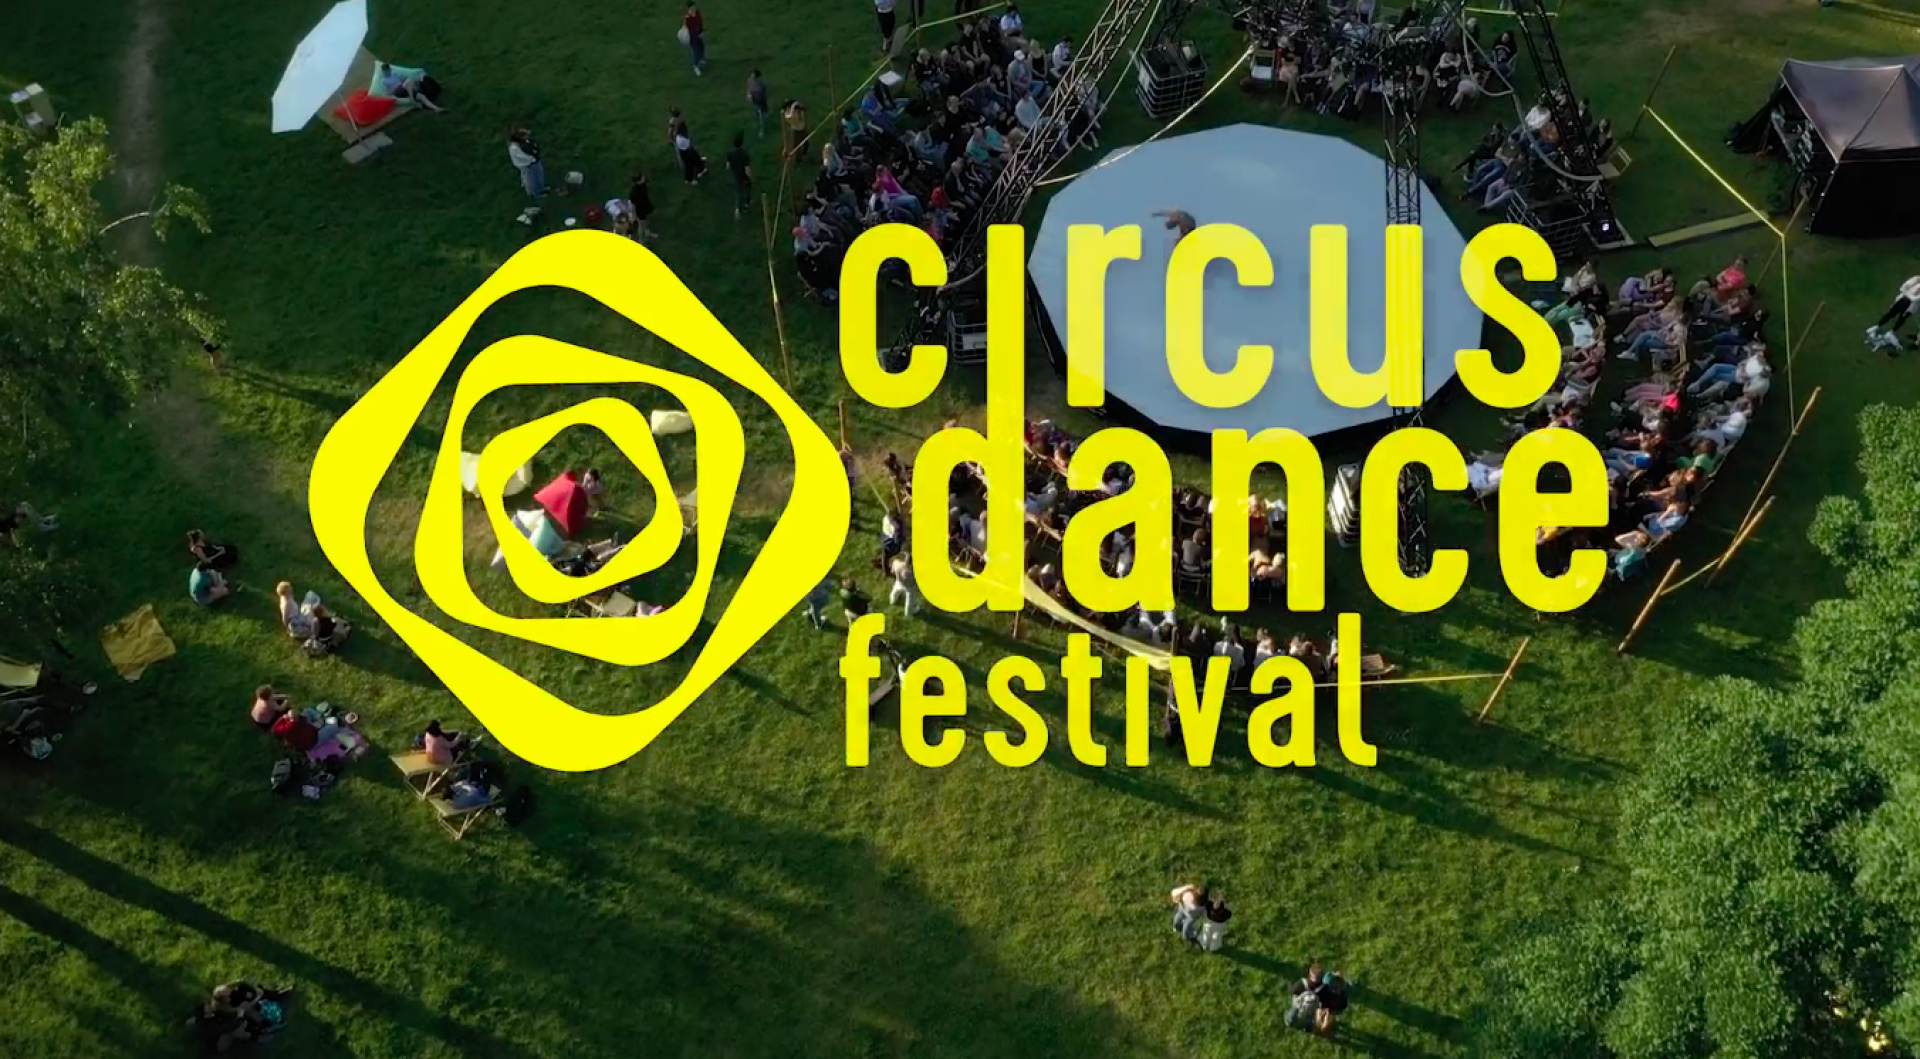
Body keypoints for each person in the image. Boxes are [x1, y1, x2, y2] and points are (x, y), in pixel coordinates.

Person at [1867, 274, 1920, 350]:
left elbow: (1915, 298)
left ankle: (1891, 332)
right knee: (1891, 313)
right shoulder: (1916, 279)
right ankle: (1877, 326)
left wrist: (1907, 293)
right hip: (1902, 300)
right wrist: (1909, 294)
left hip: (1911, 306)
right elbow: (1902, 288)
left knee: (1902, 318)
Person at [375, 61, 445, 111]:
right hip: (397, 91)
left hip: (405, 88)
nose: (388, 72)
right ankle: (413, 100)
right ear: (383, 71)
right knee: (409, 81)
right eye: (387, 71)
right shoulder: (383, 80)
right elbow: (387, 93)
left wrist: (404, 82)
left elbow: (403, 79)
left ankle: (436, 108)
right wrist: (396, 88)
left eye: (389, 70)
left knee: (421, 96)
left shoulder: (394, 74)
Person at [508, 128, 546, 198]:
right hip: (525, 164)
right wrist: (533, 158)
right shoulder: (514, 147)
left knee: (537, 175)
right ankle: (534, 193)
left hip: (532, 162)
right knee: (530, 180)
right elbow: (523, 156)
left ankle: (541, 188)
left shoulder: (523, 142)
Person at [726, 132, 753, 220]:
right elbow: (747, 169)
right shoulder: (744, 154)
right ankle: (747, 203)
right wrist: (750, 177)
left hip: (736, 174)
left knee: (739, 190)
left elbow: (728, 165)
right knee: (747, 188)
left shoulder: (730, 153)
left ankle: (738, 208)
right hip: (744, 175)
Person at [628, 171, 656, 242]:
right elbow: (632, 205)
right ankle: (641, 241)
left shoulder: (643, 184)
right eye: (642, 178)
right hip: (640, 210)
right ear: (638, 181)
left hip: (646, 205)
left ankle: (647, 232)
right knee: (641, 226)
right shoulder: (633, 192)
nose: (644, 178)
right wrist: (633, 215)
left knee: (647, 221)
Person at [681, 2, 707, 75]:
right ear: (688, 9)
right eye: (692, 8)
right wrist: (698, 34)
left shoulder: (697, 13)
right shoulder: (688, 18)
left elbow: (700, 22)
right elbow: (691, 29)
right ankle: (696, 67)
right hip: (693, 38)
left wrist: (701, 31)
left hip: (699, 35)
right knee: (695, 52)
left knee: (702, 47)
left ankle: (701, 60)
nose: (694, 9)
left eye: (694, 7)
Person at [746, 69, 770, 136]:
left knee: (761, 116)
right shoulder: (750, 81)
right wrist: (749, 95)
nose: (752, 76)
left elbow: (762, 91)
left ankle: (762, 130)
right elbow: (748, 89)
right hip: (755, 101)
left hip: (760, 101)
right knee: (758, 115)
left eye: (753, 75)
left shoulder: (760, 83)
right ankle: (761, 126)